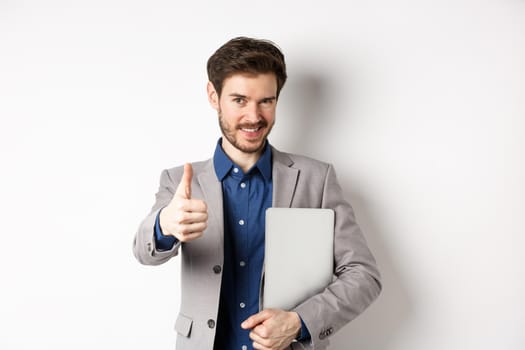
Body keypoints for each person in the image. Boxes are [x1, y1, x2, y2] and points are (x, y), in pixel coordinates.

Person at [133, 37, 381, 350]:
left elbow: (363, 275)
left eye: (266, 101)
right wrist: (163, 225)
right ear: (214, 96)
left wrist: (298, 322)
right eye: (239, 100)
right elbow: (143, 251)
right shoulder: (181, 181)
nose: (254, 116)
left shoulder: (317, 179)